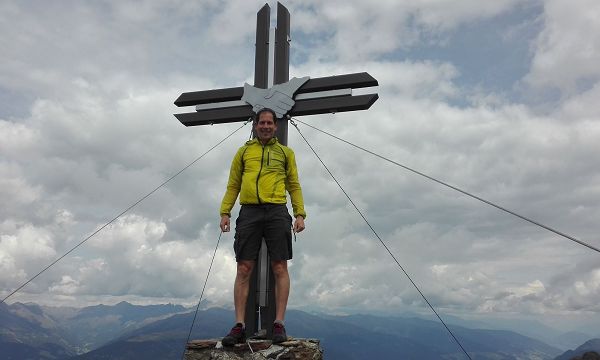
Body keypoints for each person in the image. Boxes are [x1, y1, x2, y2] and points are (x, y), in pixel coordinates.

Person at [219, 108, 306, 346]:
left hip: (277, 210)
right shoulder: (244, 152)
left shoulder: (285, 153)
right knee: (244, 268)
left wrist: (299, 213)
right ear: (256, 125)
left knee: (280, 266)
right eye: (262, 123)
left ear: (275, 126)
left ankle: (278, 323)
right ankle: (239, 325)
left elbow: (294, 185)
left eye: (269, 123)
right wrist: (225, 212)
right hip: (249, 211)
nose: (266, 126)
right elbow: (233, 184)